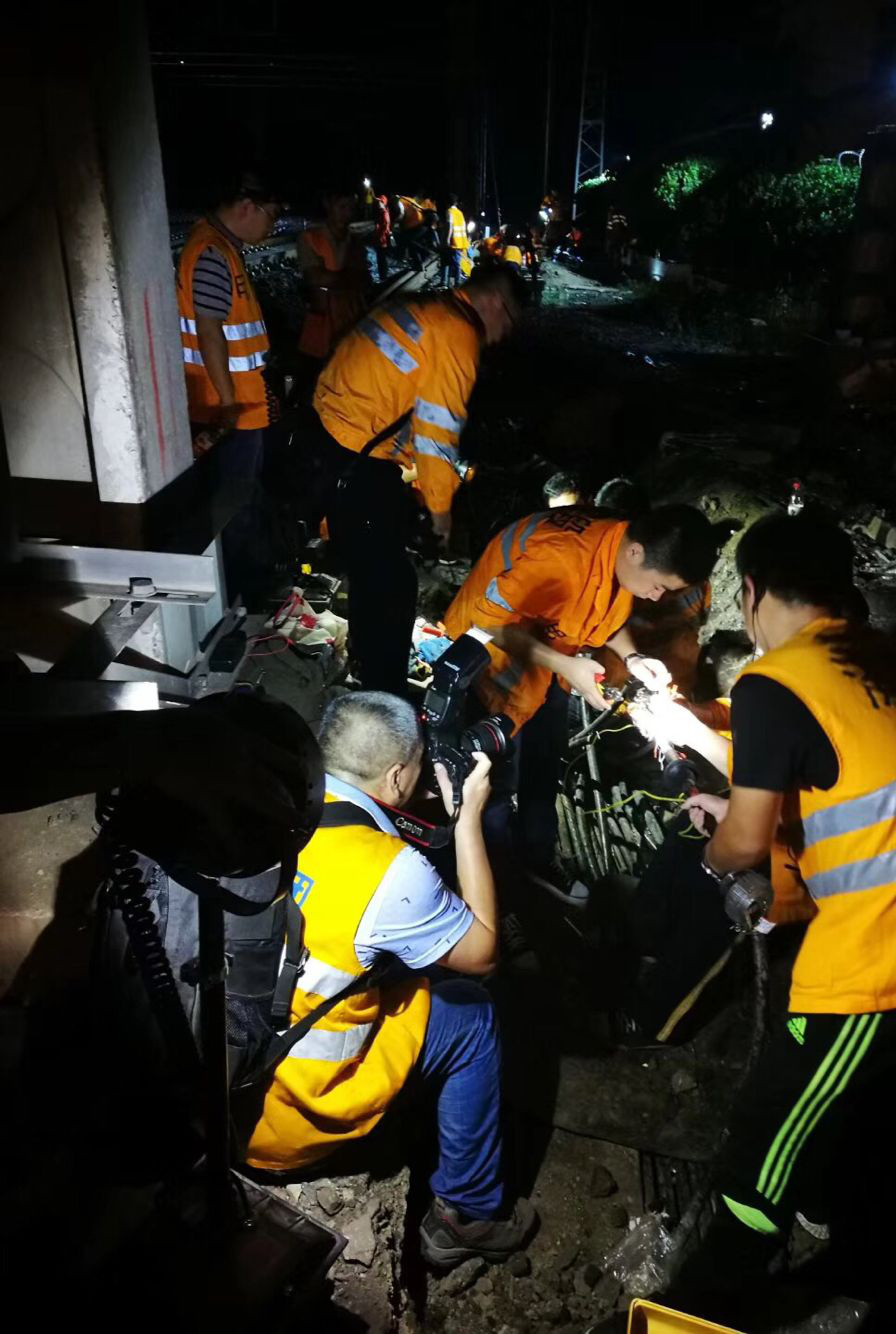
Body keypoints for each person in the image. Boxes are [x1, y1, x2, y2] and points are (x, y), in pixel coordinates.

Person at [638, 510, 896, 1327]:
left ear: (752, 591)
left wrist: (720, 854)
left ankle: (702, 1301)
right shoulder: (881, 660)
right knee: (878, 1117)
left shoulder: (772, 680)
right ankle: (849, 1231)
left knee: (766, 1139)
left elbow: (742, 843)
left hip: (887, 954)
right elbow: (847, 782)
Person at [244, 692, 536, 1266]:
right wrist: (468, 819)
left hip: (221, 1085)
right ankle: (466, 1214)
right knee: (472, 1012)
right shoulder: (389, 870)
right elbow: (483, 954)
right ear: (399, 775)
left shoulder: (269, 805)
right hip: (287, 1121)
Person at [442, 504, 721, 904]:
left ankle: (537, 862)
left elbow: (606, 612)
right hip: (487, 669)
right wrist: (567, 666)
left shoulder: (617, 549)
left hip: (549, 667)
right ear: (637, 552)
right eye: (659, 585)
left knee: (543, 766)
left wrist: (632, 658)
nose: (657, 596)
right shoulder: (562, 556)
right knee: (491, 786)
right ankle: (496, 887)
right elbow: (488, 622)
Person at [308, 266, 522, 694]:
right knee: (394, 585)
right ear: (495, 303)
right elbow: (437, 432)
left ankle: (364, 660)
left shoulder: (426, 307)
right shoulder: (458, 332)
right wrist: (440, 511)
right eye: (509, 322)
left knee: (370, 566)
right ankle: (384, 692)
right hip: (357, 457)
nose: (502, 335)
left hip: (328, 437)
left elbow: (400, 397)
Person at [176, 170, 281, 598]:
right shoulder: (211, 253)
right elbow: (209, 331)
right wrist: (228, 403)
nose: (273, 226)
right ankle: (242, 593)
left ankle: (245, 587)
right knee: (234, 506)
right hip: (228, 411)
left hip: (240, 405)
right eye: (272, 215)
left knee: (241, 498)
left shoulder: (222, 249)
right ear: (247, 206)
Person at [296, 185, 370, 377]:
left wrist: (331, 278)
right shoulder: (310, 238)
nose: (348, 213)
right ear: (328, 204)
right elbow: (314, 277)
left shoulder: (355, 241)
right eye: (342, 207)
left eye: (351, 208)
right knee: (321, 372)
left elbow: (364, 280)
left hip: (352, 316)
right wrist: (349, 277)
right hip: (323, 321)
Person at [443, 193, 469, 288]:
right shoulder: (460, 213)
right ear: (456, 203)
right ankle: (455, 282)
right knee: (456, 262)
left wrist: (447, 239)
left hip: (453, 240)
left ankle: (447, 282)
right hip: (461, 241)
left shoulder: (449, 211)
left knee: (447, 261)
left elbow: (450, 226)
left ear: (447, 203)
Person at [372, 191, 392, 281]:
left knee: (381, 258)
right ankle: (383, 276)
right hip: (381, 238)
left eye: (380, 202)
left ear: (383, 203)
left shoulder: (383, 212)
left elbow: (385, 225)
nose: (378, 204)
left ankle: (383, 277)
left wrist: (378, 234)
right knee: (381, 258)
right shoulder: (382, 211)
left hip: (382, 239)